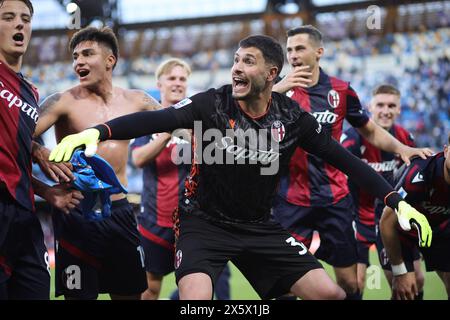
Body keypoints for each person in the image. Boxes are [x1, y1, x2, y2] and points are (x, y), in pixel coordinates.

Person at [49, 35, 431, 300]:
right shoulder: (211, 104)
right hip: (202, 222)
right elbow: (155, 120)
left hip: (258, 226)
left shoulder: (292, 118)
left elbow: (347, 161)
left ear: (271, 74)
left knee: (331, 293)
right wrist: (95, 133)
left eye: (247, 61)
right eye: (235, 60)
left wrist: (396, 200)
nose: (236, 68)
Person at [271, 25, 432, 299]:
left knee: (351, 283)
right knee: (285, 285)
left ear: (319, 52)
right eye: (289, 50)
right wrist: (273, 92)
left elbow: (368, 129)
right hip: (289, 201)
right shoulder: (275, 92)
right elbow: (246, 128)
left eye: (300, 48)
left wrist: (402, 147)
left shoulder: (341, 91)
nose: (293, 55)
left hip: (335, 200)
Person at [32, 26, 163, 300]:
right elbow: (14, 138)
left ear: (110, 60)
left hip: (120, 210)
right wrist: (38, 151)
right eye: (75, 56)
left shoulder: (137, 100)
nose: (78, 61)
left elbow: (180, 123)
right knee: (79, 296)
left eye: (87, 54)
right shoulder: (62, 102)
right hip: (77, 211)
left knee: (130, 294)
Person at [0, 0, 82, 300]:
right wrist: (35, 149)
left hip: (24, 214)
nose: (19, 24)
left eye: (25, 18)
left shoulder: (31, 93)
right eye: (8, 17)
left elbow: (12, 153)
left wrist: (45, 190)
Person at [131, 58, 230, 300]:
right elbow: (138, 159)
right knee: (150, 288)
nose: (177, 83)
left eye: (182, 79)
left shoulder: (199, 121)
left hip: (192, 223)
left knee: (201, 285)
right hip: (154, 221)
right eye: (172, 78)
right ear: (160, 84)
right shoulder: (147, 121)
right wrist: (168, 131)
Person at [341, 84, 425, 298]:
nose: (385, 110)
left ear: (399, 109)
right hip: (358, 218)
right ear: (370, 107)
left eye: (391, 105)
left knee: (415, 280)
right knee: (355, 283)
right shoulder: (351, 139)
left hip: (391, 217)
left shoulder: (405, 139)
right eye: (380, 105)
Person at [380, 132, 449, 300]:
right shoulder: (421, 173)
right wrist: (400, 270)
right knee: (407, 290)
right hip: (401, 230)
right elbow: (387, 222)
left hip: (438, 228)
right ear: (446, 151)